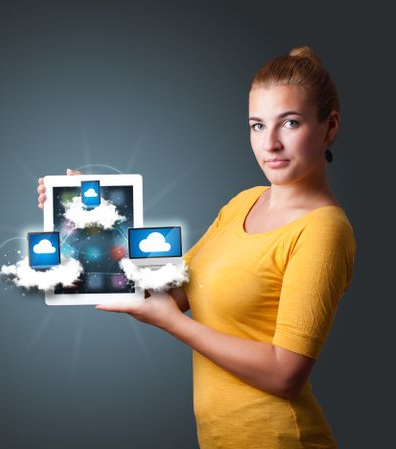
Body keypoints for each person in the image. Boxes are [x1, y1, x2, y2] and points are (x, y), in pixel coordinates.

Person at [37, 46, 357, 449]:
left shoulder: (324, 230)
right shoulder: (245, 201)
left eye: (289, 123)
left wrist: (175, 324)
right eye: (257, 126)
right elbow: (170, 293)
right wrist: (90, 219)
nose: (270, 143)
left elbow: (286, 375)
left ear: (329, 126)